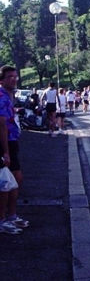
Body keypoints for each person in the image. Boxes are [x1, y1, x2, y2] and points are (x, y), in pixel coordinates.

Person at [0, 65, 29, 234]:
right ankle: (4, 219)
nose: (14, 79)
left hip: (11, 141)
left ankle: (11, 216)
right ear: (1, 80)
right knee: (8, 182)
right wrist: (5, 152)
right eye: (10, 76)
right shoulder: (2, 97)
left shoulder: (9, 96)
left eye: (15, 76)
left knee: (14, 180)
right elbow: (2, 126)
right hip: (5, 143)